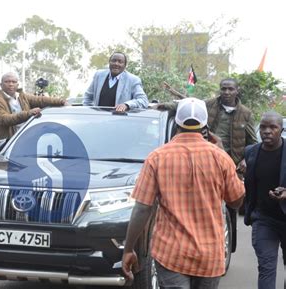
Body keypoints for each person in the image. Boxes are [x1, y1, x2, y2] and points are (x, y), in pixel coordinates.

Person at [122, 98, 245, 288]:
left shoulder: (157, 157)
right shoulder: (220, 157)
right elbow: (236, 201)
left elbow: (142, 209)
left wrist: (128, 249)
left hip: (171, 253)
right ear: (205, 124)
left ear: (177, 122)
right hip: (210, 255)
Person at [159, 78, 257, 171]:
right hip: (206, 160)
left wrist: (246, 160)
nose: (227, 92)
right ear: (220, 90)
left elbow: (253, 143)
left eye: (230, 89)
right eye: (224, 89)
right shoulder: (208, 105)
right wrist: (160, 106)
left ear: (237, 91)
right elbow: (186, 104)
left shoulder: (246, 114)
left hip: (232, 165)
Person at [243, 111, 285, 289]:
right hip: (264, 219)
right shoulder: (251, 152)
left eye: (273, 127)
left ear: (281, 130)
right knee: (266, 267)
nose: (267, 131)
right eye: (263, 127)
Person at [0, 72, 67, 149]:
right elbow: (4, 119)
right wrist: (28, 114)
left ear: (17, 84)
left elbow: (40, 100)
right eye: (7, 82)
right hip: (4, 147)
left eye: (13, 82)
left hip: (24, 142)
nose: (11, 84)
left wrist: (61, 101)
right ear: (1, 85)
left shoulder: (22, 96)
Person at [83, 52, 148, 112]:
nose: (116, 64)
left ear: (125, 66)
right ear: (109, 62)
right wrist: (90, 112)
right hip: (99, 120)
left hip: (119, 121)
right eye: (114, 61)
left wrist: (127, 105)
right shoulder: (99, 75)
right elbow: (88, 97)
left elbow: (143, 101)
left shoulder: (133, 80)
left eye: (120, 62)